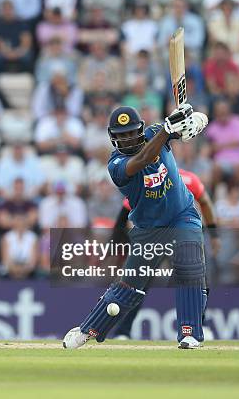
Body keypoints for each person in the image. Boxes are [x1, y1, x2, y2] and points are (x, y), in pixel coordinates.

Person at [63, 104, 210, 349]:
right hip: (148, 228)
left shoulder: (156, 132)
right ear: (113, 138)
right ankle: (88, 329)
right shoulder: (117, 165)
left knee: (189, 266)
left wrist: (191, 122)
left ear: (140, 130)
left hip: (182, 214)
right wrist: (167, 129)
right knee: (129, 287)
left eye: (131, 132)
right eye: (121, 135)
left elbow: (201, 119)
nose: (128, 138)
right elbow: (143, 159)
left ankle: (189, 333)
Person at [112, 168, 219, 340]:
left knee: (137, 283)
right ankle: (199, 326)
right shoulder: (190, 179)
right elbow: (205, 202)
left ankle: (123, 332)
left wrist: (116, 243)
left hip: (154, 236)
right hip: (181, 234)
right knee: (196, 278)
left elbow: (124, 214)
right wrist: (214, 234)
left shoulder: (148, 178)